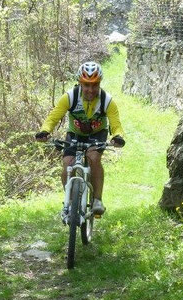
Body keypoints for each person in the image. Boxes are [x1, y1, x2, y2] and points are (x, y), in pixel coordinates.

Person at [35, 61, 125, 215]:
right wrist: (45, 131)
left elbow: (116, 124)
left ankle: (97, 200)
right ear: (80, 83)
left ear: (99, 84)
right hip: (75, 134)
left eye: (95, 85)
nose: (90, 89)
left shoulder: (107, 100)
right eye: (86, 85)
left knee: (93, 158)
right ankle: (70, 202)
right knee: (67, 163)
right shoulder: (70, 97)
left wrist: (118, 137)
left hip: (97, 134)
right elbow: (53, 117)